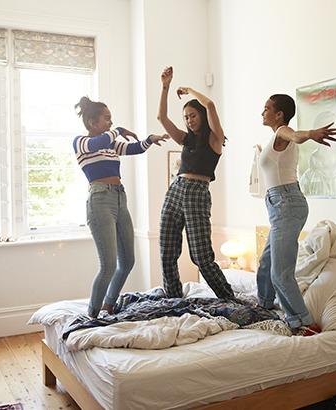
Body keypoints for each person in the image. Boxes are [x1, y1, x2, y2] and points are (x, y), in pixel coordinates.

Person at [73, 96, 169, 318]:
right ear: (92, 122)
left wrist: (150, 139)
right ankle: (92, 315)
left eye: (111, 119)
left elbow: (135, 148)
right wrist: (119, 130)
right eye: (106, 118)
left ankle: (109, 305)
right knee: (107, 266)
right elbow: (97, 143)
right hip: (100, 200)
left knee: (127, 262)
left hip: (119, 198)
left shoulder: (110, 144)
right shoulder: (81, 142)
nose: (110, 122)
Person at [256, 94, 336, 335]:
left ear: (279, 114)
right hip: (280, 204)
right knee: (266, 263)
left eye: (266, 108)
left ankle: (304, 322)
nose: (262, 113)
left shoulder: (283, 131)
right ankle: (264, 305)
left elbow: (295, 135)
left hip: (286, 204)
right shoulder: (275, 137)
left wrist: (311, 134)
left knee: (280, 274)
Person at [156, 66, 234, 299]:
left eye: (193, 115)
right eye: (186, 117)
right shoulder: (185, 139)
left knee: (200, 256)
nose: (189, 120)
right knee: (167, 250)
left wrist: (189, 89)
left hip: (197, 193)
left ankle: (227, 297)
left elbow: (210, 105)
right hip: (175, 189)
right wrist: (165, 87)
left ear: (201, 115)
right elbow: (161, 118)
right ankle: (173, 297)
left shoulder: (215, 139)